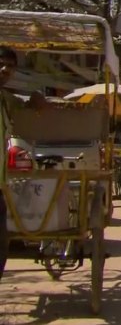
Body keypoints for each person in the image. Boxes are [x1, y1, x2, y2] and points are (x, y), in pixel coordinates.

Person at [1, 47, 47, 280]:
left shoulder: (5, 99)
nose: (5, 70)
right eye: (2, 64)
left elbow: (25, 106)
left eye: (9, 66)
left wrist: (35, 103)